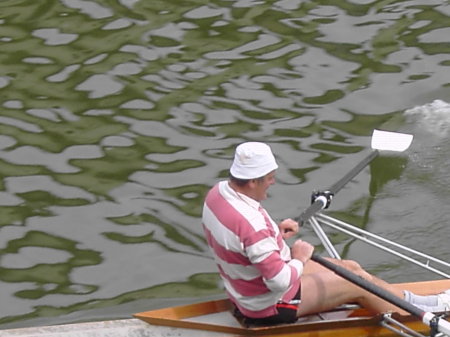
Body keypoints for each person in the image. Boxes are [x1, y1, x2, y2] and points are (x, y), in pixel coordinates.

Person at [201, 141, 450, 326]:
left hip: (243, 288)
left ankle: (418, 301)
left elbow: (240, 238)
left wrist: (273, 233)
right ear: (253, 181)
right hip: (268, 305)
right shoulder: (252, 226)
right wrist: (299, 257)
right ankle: (414, 317)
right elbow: (277, 280)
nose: (273, 183)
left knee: (351, 268)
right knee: (358, 285)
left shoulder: (218, 194)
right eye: (270, 178)